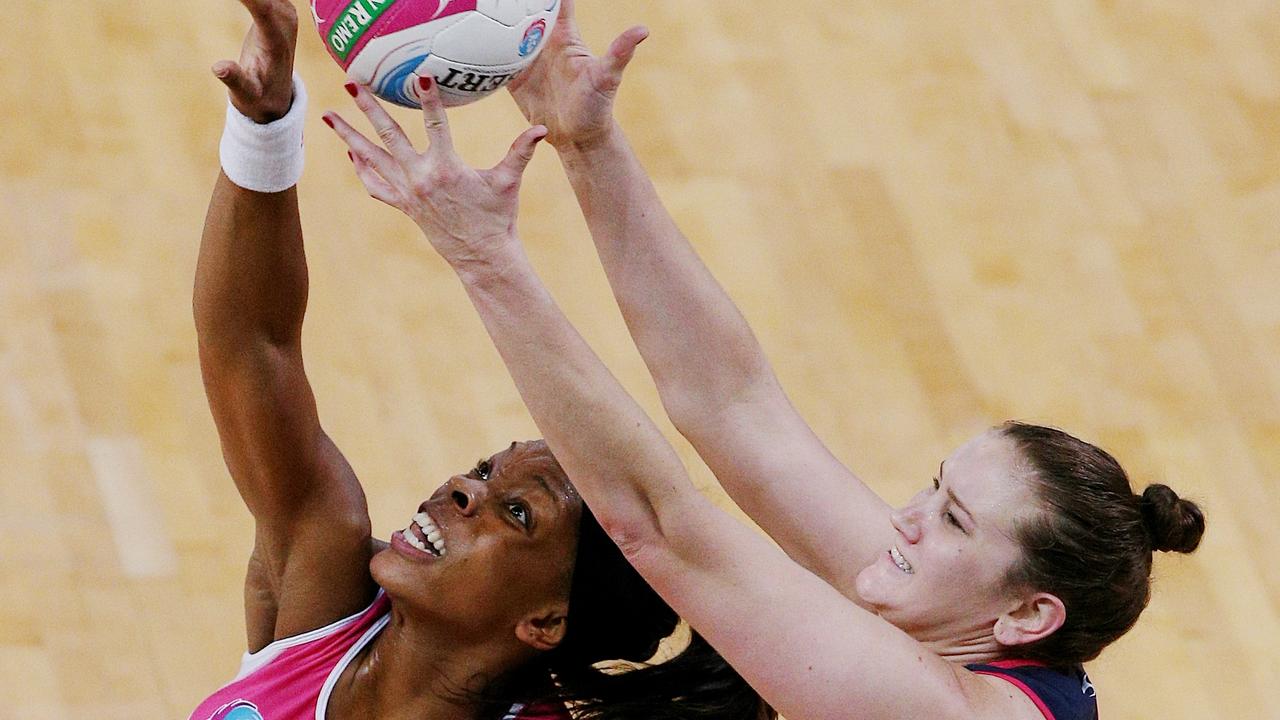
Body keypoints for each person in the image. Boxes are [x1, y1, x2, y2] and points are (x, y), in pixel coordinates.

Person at [322, 1, 1207, 719]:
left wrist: (485, 261)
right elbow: (732, 403)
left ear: (1026, 615)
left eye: (953, 520)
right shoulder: (961, 614)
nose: (902, 518)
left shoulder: (935, 711)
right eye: (935, 489)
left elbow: (653, 524)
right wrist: (587, 145)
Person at [190, 2, 772, 719]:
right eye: (489, 471)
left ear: (546, 623)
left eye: (517, 513)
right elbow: (252, 347)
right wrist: (266, 127)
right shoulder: (323, 585)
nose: (464, 488)